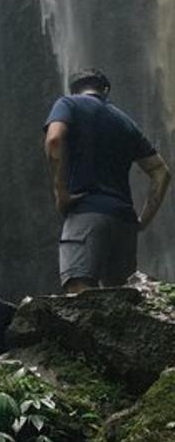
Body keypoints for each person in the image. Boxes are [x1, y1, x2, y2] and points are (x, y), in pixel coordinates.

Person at [44, 69, 171, 292]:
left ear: (74, 90)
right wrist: (142, 221)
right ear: (105, 90)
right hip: (124, 221)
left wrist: (60, 193)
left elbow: (54, 139)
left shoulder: (68, 104)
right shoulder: (125, 121)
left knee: (79, 290)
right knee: (121, 299)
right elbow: (162, 172)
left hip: (86, 213)